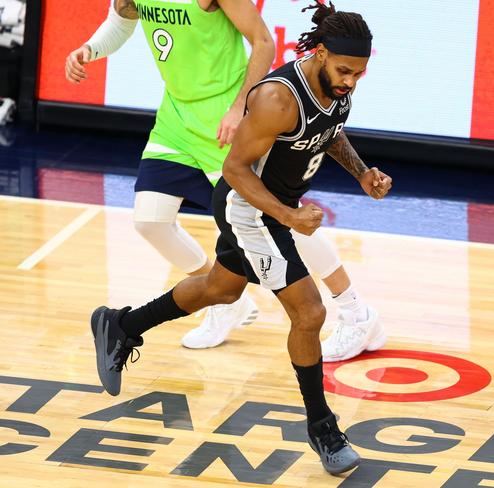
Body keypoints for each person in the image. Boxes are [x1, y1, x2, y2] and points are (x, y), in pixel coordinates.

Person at [90, 1, 392, 474]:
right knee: (309, 312)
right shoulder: (277, 98)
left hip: (274, 209)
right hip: (249, 209)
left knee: (220, 288)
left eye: (359, 73)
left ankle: (121, 326)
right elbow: (234, 169)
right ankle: (323, 429)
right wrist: (289, 216)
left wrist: (361, 174)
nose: (352, 80)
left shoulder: (336, 85)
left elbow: (329, 132)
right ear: (319, 54)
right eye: (345, 70)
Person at [65, 0, 385, 361]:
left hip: (226, 120)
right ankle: (224, 302)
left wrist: (238, 108)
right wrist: (91, 49)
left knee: (282, 218)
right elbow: (121, 20)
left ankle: (356, 312)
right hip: (177, 117)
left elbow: (264, 42)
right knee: (151, 220)